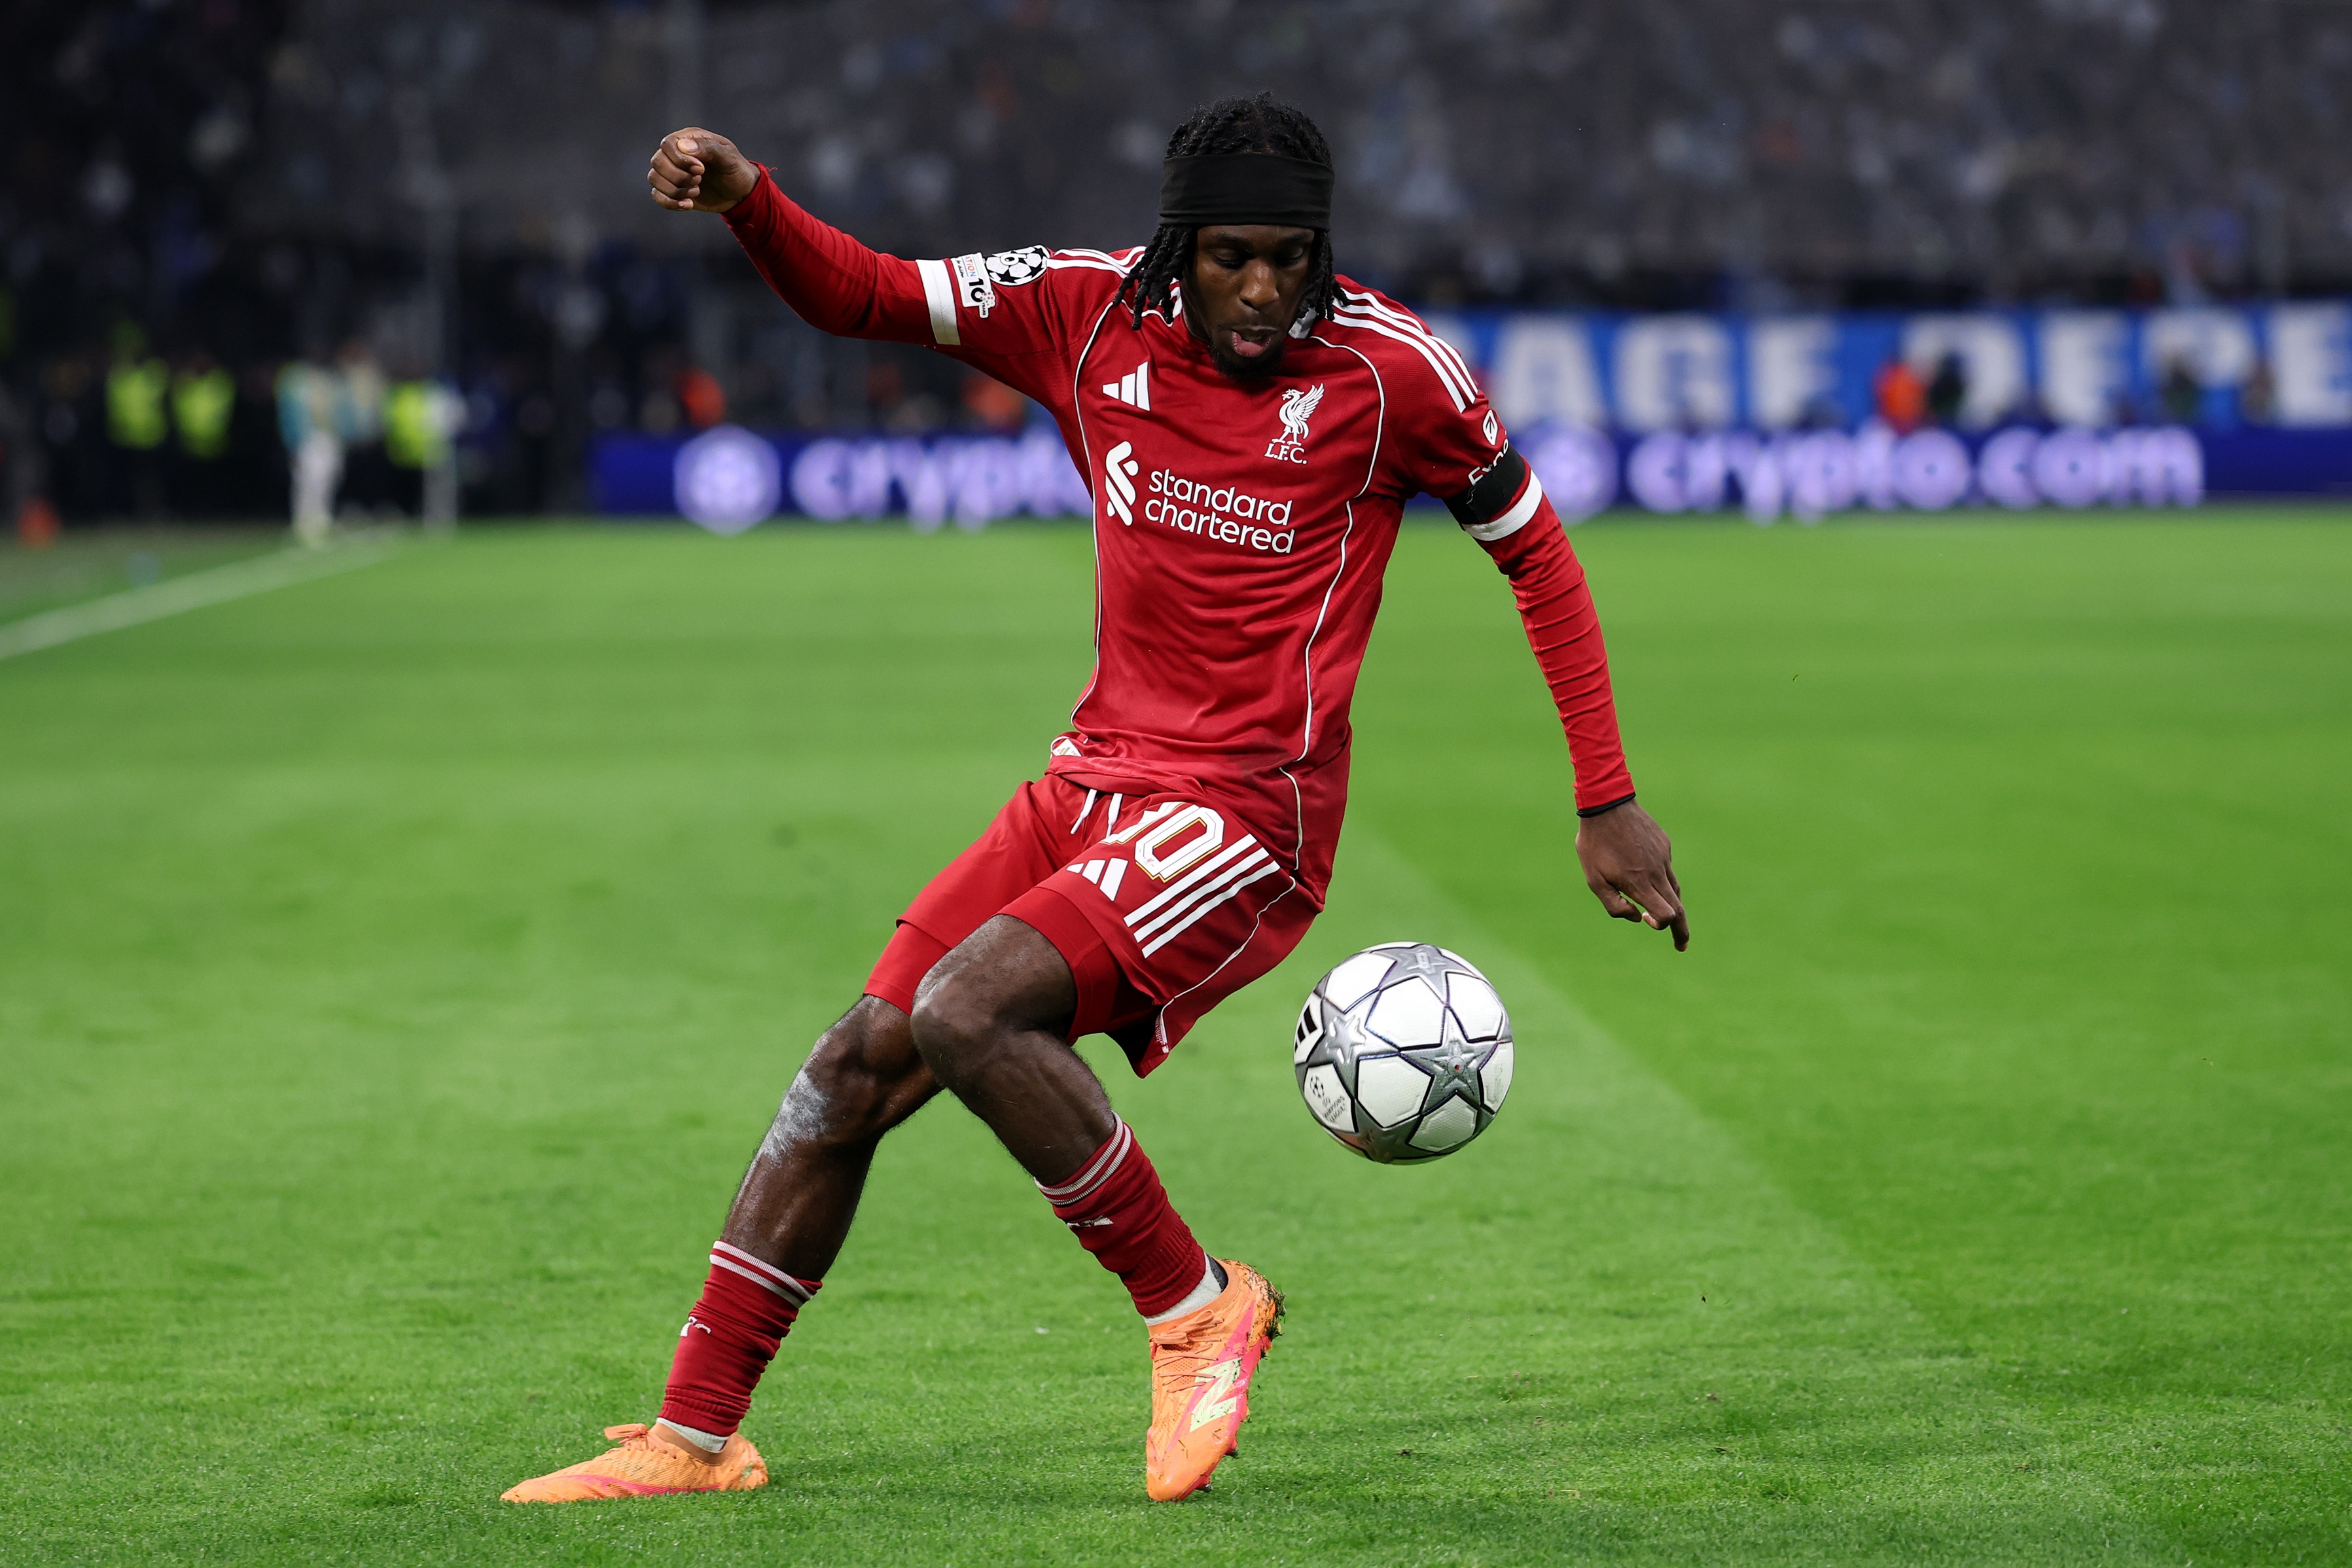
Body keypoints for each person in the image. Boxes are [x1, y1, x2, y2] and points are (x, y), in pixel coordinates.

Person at [503, 93, 1688, 1508]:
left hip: (1251, 812)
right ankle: (693, 1439)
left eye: (1292, 257)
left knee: (965, 1007)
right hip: (1090, 782)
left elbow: (1536, 553)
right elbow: (868, 295)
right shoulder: (1080, 309)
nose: (1264, 288)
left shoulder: (1394, 372)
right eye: (1234, 255)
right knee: (855, 1064)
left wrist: (1605, 796)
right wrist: (754, 200)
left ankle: (1196, 1306)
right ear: (1176, 246)